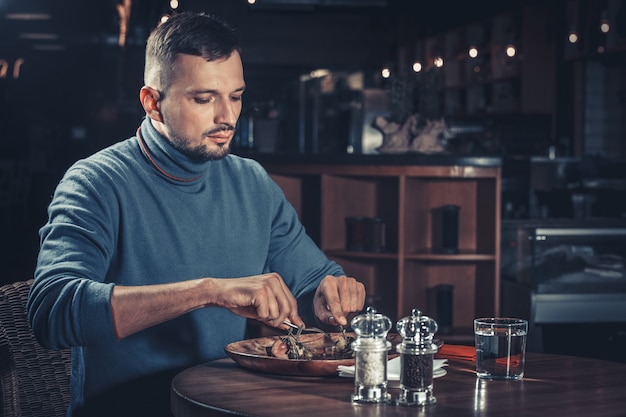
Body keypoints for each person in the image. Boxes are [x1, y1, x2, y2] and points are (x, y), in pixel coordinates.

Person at [27, 11, 366, 417]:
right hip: (127, 408)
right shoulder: (96, 181)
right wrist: (209, 292)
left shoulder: (252, 182)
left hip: (226, 406)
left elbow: (313, 281)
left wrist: (332, 295)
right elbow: (52, 311)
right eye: (204, 99)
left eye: (236, 96)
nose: (227, 117)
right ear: (153, 102)